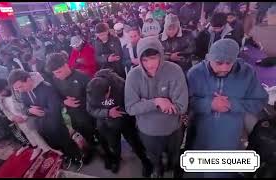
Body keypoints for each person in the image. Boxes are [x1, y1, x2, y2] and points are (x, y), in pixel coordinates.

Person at [186, 39, 268, 178]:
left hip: (228, 138)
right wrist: (209, 104)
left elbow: (260, 100)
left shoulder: (247, 73)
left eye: (229, 63)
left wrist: (232, 104)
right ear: (209, 58)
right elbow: (187, 102)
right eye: (219, 63)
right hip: (200, 135)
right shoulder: (195, 73)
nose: (224, 68)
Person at [124, 37, 188, 178]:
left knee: (175, 154)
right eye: (144, 60)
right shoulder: (133, 76)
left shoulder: (175, 70)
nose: (149, 64)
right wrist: (157, 102)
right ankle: (157, 170)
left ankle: (174, 167)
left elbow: (181, 106)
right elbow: (130, 108)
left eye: (153, 58)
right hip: (148, 131)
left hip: (173, 128)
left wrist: (143, 104)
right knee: (154, 156)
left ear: (160, 54)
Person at [7, 69, 84, 171]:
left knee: (65, 142)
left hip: (55, 123)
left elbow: (55, 107)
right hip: (40, 125)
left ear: (29, 80)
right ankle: (67, 156)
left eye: (20, 86)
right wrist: (30, 111)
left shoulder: (46, 87)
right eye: (16, 89)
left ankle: (77, 157)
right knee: (53, 144)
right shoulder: (23, 92)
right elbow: (24, 108)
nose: (19, 90)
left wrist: (39, 111)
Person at [87, 69, 153, 176]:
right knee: (114, 144)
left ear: (108, 90)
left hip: (125, 122)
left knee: (135, 144)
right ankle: (116, 160)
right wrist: (107, 112)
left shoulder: (122, 86)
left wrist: (120, 112)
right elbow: (90, 109)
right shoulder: (92, 88)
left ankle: (145, 162)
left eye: (103, 97)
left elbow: (132, 104)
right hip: (106, 124)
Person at [45, 53, 97, 164]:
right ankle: (90, 150)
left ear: (65, 65)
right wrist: (64, 101)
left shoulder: (83, 77)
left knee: (99, 135)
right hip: (74, 116)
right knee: (84, 136)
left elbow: (95, 97)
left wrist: (82, 102)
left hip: (89, 115)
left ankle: (107, 153)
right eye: (55, 74)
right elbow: (56, 96)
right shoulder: (56, 79)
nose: (57, 76)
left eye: (58, 72)